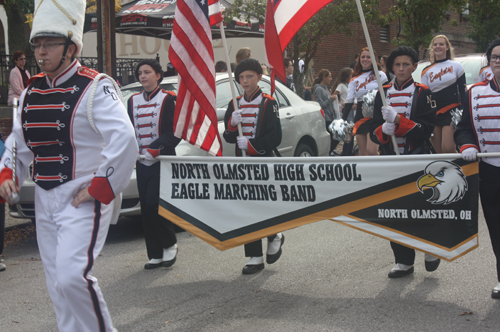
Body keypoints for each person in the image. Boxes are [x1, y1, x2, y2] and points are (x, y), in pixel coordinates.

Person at [0, 1, 138, 331]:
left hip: (82, 194)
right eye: (37, 44)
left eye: (49, 44)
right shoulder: (30, 90)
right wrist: (9, 174)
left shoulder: (95, 86)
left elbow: (125, 139)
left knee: (73, 276)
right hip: (45, 198)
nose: (40, 52)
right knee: (57, 284)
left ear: (71, 47)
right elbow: (20, 142)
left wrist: (99, 186)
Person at [370, 46, 439, 278]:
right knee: (393, 210)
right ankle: (403, 260)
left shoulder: (424, 92)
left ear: (414, 66)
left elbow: (427, 130)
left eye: (406, 64)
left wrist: (399, 120)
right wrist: (383, 129)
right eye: (397, 65)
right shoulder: (381, 91)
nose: (401, 69)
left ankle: (430, 247)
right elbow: (372, 133)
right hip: (390, 159)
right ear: (391, 67)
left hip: (417, 157)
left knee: (421, 207)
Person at [223, 58, 284, 274]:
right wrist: (231, 124)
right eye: (241, 77)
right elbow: (228, 137)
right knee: (248, 208)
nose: (245, 81)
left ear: (259, 77)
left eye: (249, 76)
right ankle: (254, 255)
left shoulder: (268, 103)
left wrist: (251, 145)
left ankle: (275, 233)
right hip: (242, 164)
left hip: (262, 160)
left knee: (264, 204)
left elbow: (275, 137)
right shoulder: (234, 103)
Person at [455, 38, 500, 299]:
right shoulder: (474, 93)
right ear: (489, 62)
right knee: (496, 225)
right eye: (495, 58)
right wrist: (467, 145)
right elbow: (463, 129)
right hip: (490, 170)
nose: (499, 62)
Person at [128, 59, 180, 270]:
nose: (143, 76)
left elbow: (175, 131)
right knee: (146, 209)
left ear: (158, 75)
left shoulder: (168, 99)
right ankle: (155, 253)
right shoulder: (132, 101)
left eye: (147, 72)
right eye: (140, 73)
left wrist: (157, 148)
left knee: (155, 204)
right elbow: (129, 130)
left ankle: (170, 243)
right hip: (141, 162)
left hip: (162, 160)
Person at [420, 35, 466, 154]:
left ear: (447, 47)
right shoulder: (426, 70)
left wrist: (464, 111)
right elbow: (425, 96)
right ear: (432, 48)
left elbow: (463, 90)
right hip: (434, 113)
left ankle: (463, 170)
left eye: (441, 44)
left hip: (451, 112)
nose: (438, 46)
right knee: (439, 151)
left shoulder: (457, 66)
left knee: (448, 148)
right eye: (435, 44)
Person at [342, 47, 388, 156]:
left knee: (372, 151)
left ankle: (379, 172)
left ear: (374, 59)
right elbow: (349, 100)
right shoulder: (354, 78)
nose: (365, 59)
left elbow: (388, 93)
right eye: (363, 57)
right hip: (360, 115)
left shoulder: (381, 75)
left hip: (376, 114)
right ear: (359, 59)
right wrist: (342, 120)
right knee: (363, 153)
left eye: (368, 57)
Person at [312, 69, 340, 156]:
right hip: (325, 118)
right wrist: (331, 99)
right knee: (335, 137)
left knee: (336, 137)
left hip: (330, 117)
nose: (331, 79)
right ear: (324, 77)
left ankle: (328, 152)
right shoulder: (319, 89)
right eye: (329, 77)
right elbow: (320, 104)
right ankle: (326, 153)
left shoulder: (325, 89)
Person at [332, 67, 354, 155]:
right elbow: (334, 96)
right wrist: (341, 103)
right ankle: (345, 152)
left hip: (351, 109)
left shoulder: (349, 85)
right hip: (346, 108)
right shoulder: (341, 85)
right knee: (348, 130)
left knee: (352, 130)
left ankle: (349, 150)